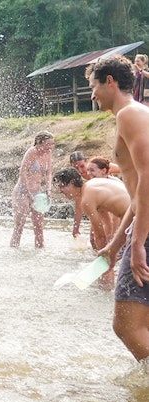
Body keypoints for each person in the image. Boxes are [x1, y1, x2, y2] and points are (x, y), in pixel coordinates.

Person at [87, 55, 149, 362]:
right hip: (142, 224)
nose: (92, 95)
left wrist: (137, 243)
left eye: (94, 86)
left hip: (147, 231)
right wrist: (116, 244)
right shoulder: (132, 114)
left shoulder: (130, 114)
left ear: (110, 81)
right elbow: (137, 196)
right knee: (141, 322)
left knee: (126, 325)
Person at [54, 167, 130, 290]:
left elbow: (100, 236)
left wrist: (103, 259)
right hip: (139, 212)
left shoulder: (86, 200)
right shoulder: (92, 185)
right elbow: (108, 222)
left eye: (62, 186)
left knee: (115, 260)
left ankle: (106, 289)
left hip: (137, 218)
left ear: (72, 183)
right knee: (116, 256)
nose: (60, 190)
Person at [10, 131, 54, 248]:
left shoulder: (48, 153)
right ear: (39, 143)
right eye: (47, 144)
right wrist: (27, 192)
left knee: (39, 227)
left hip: (37, 193)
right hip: (22, 192)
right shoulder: (31, 152)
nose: (50, 147)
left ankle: (40, 253)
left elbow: (49, 173)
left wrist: (48, 190)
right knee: (19, 226)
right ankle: (14, 252)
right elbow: (22, 172)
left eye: (52, 144)